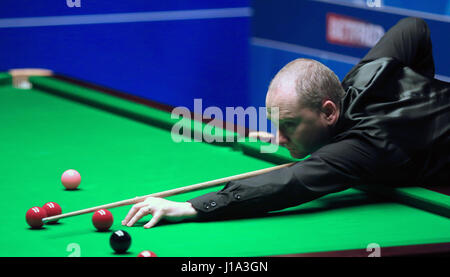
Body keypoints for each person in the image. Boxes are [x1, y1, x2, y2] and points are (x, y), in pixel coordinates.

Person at [122, 17, 449, 229]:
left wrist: (190, 207)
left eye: (289, 125)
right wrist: (421, 107)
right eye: (276, 124)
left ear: (329, 112)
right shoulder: (367, 74)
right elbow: (414, 27)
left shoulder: (363, 146)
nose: (277, 138)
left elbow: (290, 182)